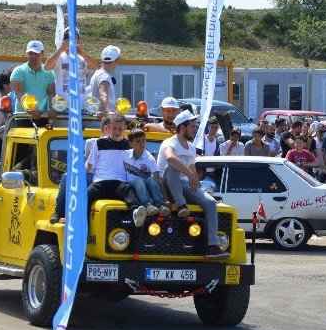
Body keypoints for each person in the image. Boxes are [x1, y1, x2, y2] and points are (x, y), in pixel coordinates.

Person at [156, 110, 228, 260]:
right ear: (182, 128)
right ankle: (182, 206)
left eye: (196, 127)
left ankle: (212, 246)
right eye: (193, 127)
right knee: (173, 168)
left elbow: (193, 171)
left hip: (182, 187)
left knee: (210, 203)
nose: (196, 130)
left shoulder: (191, 147)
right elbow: (170, 158)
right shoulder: (170, 142)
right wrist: (189, 175)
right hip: (165, 188)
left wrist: (196, 183)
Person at [86, 114, 146, 225]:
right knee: (86, 196)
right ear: (109, 127)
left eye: (120, 128)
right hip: (101, 182)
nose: (117, 131)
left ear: (125, 128)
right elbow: (89, 165)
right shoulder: (99, 143)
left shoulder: (129, 145)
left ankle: (136, 214)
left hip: (119, 183)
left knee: (129, 192)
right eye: (114, 128)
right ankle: (84, 228)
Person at [124, 129, 170, 217]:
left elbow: (158, 179)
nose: (142, 144)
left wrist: (166, 199)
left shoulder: (149, 158)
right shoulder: (125, 155)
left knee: (151, 179)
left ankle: (160, 205)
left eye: (143, 140)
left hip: (145, 185)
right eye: (138, 141)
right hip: (130, 185)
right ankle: (148, 205)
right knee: (140, 181)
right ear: (130, 143)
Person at [46, 27, 99, 100]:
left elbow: (95, 67)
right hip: (62, 104)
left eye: (73, 37)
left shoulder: (83, 58)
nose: (70, 40)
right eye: (67, 37)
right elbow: (47, 67)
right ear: (63, 40)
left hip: (81, 104)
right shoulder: (59, 58)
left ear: (78, 41)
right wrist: (61, 49)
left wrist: (81, 52)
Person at [12, 41, 56, 118]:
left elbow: (51, 93)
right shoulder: (18, 70)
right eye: (30, 53)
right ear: (27, 54)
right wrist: (31, 109)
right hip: (23, 116)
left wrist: (52, 108)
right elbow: (18, 93)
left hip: (43, 116)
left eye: (36, 54)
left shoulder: (49, 72)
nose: (33, 56)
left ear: (42, 54)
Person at [89, 46, 120, 117]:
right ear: (116, 60)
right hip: (105, 118)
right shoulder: (104, 76)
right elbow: (103, 95)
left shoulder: (97, 73)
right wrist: (108, 112)